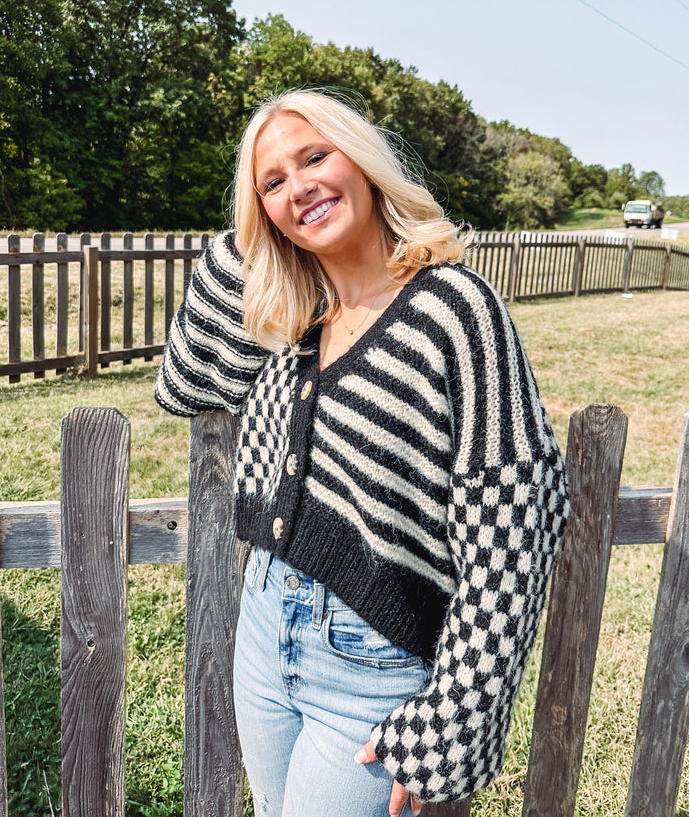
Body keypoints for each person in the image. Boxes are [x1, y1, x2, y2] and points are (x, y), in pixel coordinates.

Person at [156, 89, 569, 816]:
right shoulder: (292, 317)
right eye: (272, 183)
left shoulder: (454, 309)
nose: (300, 186)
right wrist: (248, 243)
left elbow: (516, 525)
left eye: (315, 157)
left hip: (371, 666)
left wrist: (455, 714)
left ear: (365, 161)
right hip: (263, 629)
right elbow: (184, 385)